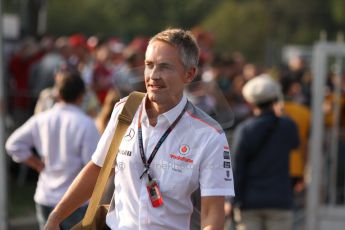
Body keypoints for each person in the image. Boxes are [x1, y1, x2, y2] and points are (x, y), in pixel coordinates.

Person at [45, 28, 235, 230]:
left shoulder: (209, 135)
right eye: (149, 65)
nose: (153, 75)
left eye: (165, 67)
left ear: (189, 74)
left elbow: (212, 213)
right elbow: (98, 168)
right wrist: (56, 217)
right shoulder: (125, 111)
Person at [5, 71, 100, 230]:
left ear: (58, 93)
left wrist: (36, 164)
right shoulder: (86, 124)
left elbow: (13, 144)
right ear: (81, 96)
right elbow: (91, 165)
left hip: (45, 195)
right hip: (75, 201)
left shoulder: (41, 119)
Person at [232, 74, 299, 230]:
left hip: (249, 202)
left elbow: (237, 167)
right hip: (280, 200)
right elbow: (294, 144)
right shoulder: (288, 126)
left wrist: (232, 200)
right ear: (275, 99)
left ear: (250, 102)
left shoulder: (245, 129)